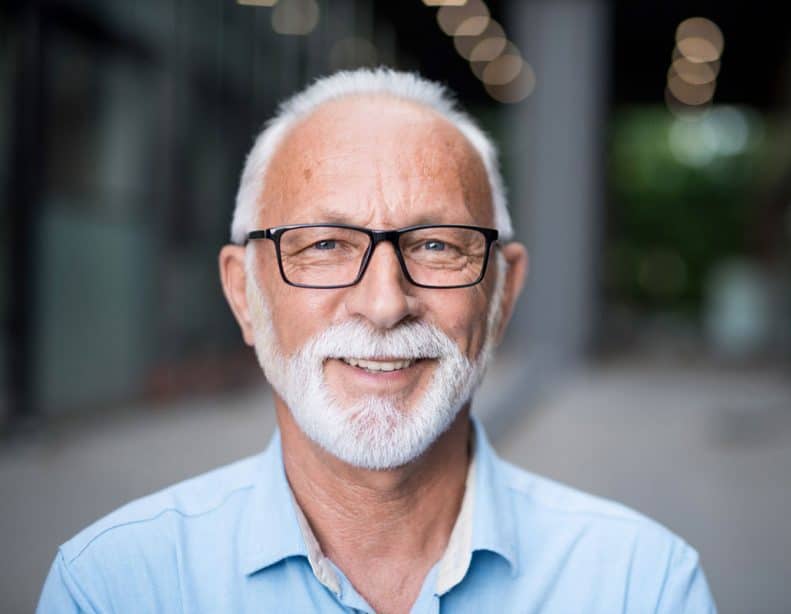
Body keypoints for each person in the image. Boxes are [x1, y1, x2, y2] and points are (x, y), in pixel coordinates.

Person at [37, 68, 716, 613]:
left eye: (437, 245)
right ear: (244, 293)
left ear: (502, 294)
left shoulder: (641, 587)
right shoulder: (114, 589)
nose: (385, 304)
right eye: (326, 244)